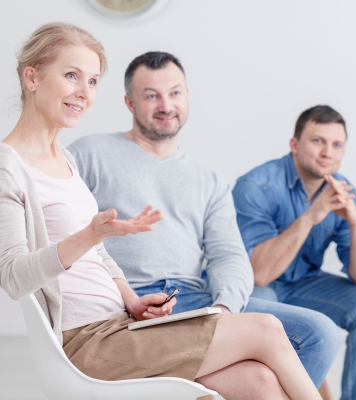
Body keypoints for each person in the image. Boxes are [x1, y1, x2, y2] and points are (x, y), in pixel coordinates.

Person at [0, 23, 321, 400]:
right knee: (266, 330)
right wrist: (91, 234)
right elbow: (13, 277)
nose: (84, 92)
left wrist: (132, 301)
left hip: (120, 324)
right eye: (72, 75)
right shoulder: (9, 166)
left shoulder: (65, 158)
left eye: (92, 81)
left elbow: (97, 254)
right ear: (32, 77)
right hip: (86, 343)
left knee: (259, 381)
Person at [68, 51, 342, 389]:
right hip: (129, 303)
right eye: (151, 95)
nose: (166, 105)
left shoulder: (207, 180)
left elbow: (228, 255)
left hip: (197, 301)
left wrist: (224, 311)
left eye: (175, 93)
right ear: (129, 102)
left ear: (187, 97)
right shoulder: (89, 154)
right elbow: (66, 232)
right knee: (261, 378)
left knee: (320, 334)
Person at [233, 105, 356, 400]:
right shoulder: (256, 187)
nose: (327, 152)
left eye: (336, 145)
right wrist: (310, 217)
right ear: (295, 145)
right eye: (318, 141)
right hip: (253, 287)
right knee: (264, 313)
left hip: (304, 284)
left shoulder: (344, 191)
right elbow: (260, 274)